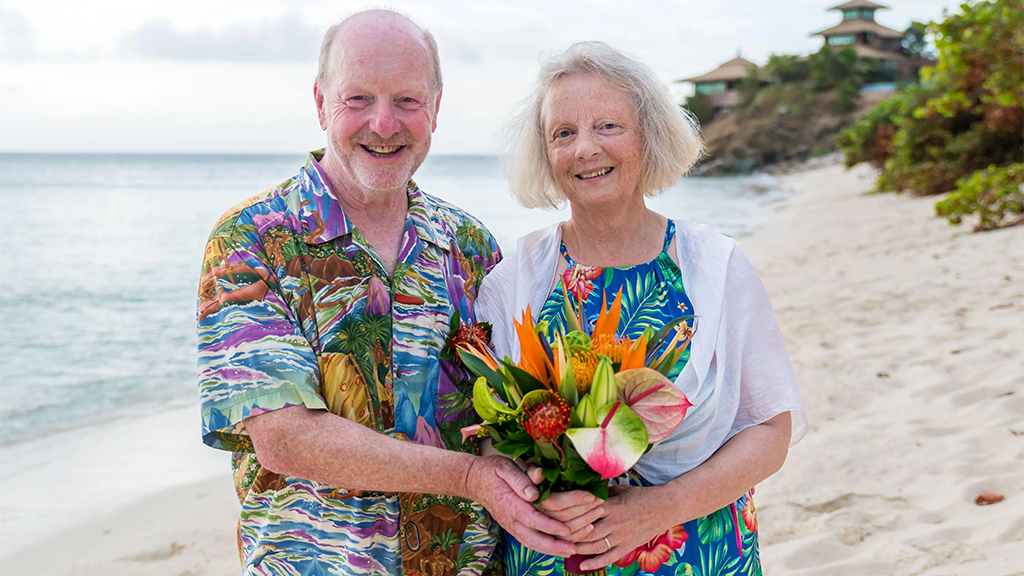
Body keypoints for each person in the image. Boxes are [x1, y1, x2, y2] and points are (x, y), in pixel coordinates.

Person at [196, 10, 587, 575]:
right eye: (358, 99)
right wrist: (473, 479)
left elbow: (508, 412)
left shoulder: (470, 246)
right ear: (320, 101)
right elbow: (285, 438)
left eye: (406, 100)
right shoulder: (250, 241)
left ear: (435, 107)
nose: (383, 124)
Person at [476, 42, 807, 576]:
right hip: (559, 552)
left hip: (698, 548)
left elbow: (770, 431)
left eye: (608, 126)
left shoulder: (717, 267)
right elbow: (493, 435)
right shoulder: (515, 279)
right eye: (563, 133)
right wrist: (533, 493)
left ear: (648, 137)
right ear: (544, 153)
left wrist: (659, 509)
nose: (585, 149)